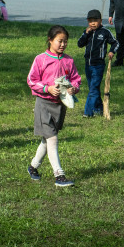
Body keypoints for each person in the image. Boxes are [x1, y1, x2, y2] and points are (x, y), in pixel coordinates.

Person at [26, 25, 81, 187]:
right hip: (43, 104)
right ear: (50, 40)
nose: (63, 44)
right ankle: (59, 175)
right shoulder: (40, 59)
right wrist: (47, 88)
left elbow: (76, 79)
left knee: (47, 138)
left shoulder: (68, 60)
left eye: (65, 41)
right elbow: (31, 80)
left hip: (60, 106)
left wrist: (73, 88)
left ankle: (33, 167)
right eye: (59, 41)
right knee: (52, 137)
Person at [77, 9, 119, 118]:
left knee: (93, 89)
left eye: (95, 20)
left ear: (100, 20)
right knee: (93, 87)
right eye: (90, 21)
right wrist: (85, 34)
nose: (93, 23)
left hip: (98, 65)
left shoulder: (105, 32)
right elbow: (80, 44)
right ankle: (99, 108)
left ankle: (88, 112)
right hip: (88, 64)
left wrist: (111, 51)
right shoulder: (87, 32)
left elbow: (116, 43)